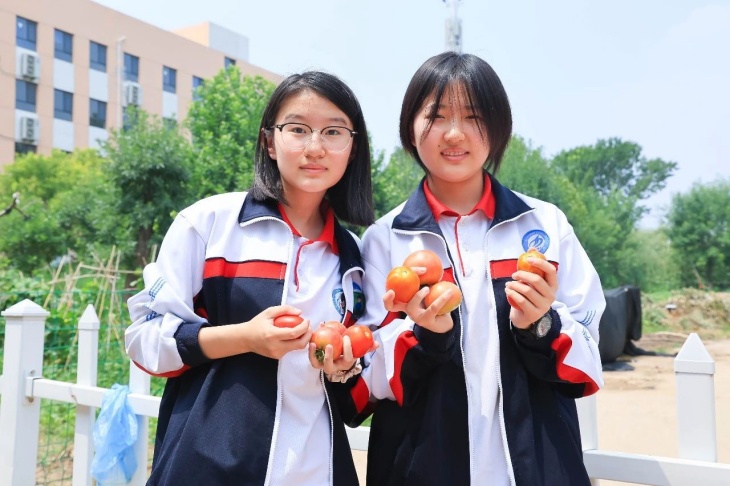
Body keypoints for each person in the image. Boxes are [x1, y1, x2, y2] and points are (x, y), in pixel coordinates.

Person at [337, 52, 606, 486]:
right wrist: (423, 335)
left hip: (536, 468)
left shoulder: (544, 225)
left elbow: (590, 359)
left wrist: (541, 325)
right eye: (436, 116)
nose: (454, 133)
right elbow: (363, 379)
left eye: (473, 116)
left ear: (498, 128)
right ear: (410, 127)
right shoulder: (384, 239)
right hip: (422, 470)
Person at [125, 71, 374, 485]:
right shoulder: (209, 224)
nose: (315, 147)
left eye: (333, 132)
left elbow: (356, 392)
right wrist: (245, 338)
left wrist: (343, 366)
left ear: (352, 149)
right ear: (269, 142)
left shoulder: (354, 257)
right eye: (298, 129)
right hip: (207, 467)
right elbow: (145, 339)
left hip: (317, 470)